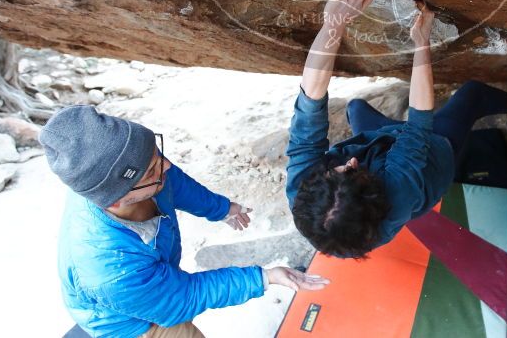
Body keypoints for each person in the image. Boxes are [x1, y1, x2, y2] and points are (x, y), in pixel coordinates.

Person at [286, 0, 507, 258]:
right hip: (433, 159)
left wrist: (335, 21)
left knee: (356, 107)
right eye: (353, 172)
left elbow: (310, 98)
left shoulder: (304, 192)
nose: (351, 160)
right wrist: (422, 42)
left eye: (340, 167)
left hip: (381, 144)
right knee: (471, 95)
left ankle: (381, 145)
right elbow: (420, 124)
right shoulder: (397, 194)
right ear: (371, 195)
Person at [40, 106, 328, 338]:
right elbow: (183, 298)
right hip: (127, 323)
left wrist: (222, 209)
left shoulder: (137, 175)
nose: (165, 165)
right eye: (153, 167)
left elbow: (175, 183)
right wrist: (264, 277)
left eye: (156, 154)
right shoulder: (108, 269)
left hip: (144, 288)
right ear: (117, 200)